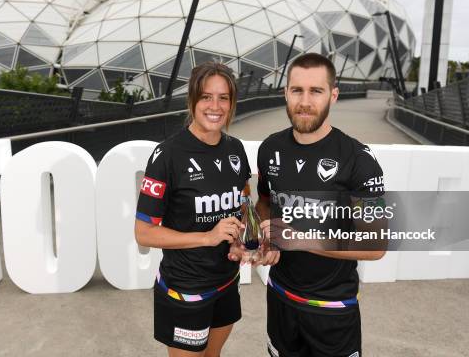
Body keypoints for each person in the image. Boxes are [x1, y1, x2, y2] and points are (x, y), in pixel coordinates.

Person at [254, 53, 386, 357]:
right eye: (297, 90)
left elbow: (377, 245)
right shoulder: (270, 148)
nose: (305, 101)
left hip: (332, 310)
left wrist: (299, 239)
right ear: (285, 92)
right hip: (280, 300)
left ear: (333, 95)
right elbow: (263, 203)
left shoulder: (361, 160)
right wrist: (267, 236)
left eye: (316, 91)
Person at [134, 61, 251, 357]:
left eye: (223, 97)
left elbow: (243, 202)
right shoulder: (167, 155)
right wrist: (207, 237)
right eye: (206, 97)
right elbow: (144, 233)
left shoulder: (235, 149)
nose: (215, 106)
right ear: (192, 101)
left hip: (227, 282)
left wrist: (241, 240)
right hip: (186, 290)